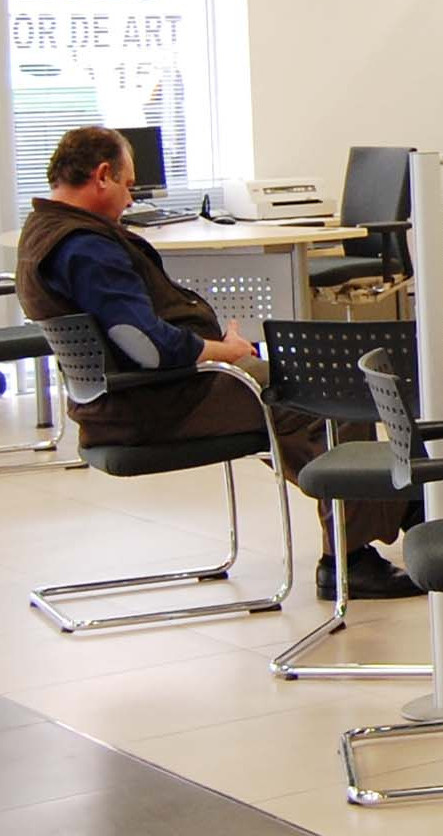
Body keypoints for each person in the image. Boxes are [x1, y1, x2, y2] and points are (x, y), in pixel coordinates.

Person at [13, 127, 419, 600]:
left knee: (301, 407)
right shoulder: (87, 248)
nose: (129, 199)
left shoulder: (43, 231)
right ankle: (359, 553)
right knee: (332, 396)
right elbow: (145, 345)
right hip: (157, 400)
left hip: (129, 397)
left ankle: (397, 509)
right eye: (127, 185)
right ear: (102, 175)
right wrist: (222, 351)